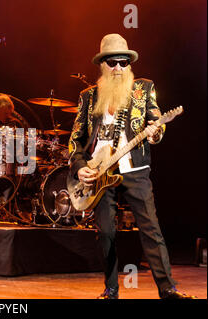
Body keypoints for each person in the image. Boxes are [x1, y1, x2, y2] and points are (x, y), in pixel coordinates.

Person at [68, 34, 196, 299]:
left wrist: (155, 133)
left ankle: (168, 289)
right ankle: (111, 289)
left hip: (135, 170)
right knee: (106, 233)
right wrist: (80, 166)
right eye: (112, 62)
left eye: (124, 63)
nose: (118, 68)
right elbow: (75, 140)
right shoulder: (88, 97)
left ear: (130, 65)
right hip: (100, 174)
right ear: (102, 64)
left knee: (151, 229)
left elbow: (157, 122)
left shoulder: (144, 89)